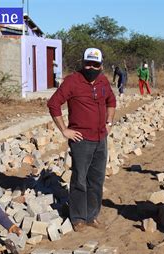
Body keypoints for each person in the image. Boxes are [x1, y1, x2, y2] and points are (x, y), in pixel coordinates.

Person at [47, 48, 116, 232]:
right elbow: (53, 104)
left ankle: (92, 215)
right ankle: (77, 217)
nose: (91, 67)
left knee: (97, 179)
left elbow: (111, 101)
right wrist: (64, 130)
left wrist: (109, 122)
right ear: (82, 62)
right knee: (80, 179)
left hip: (101, 138)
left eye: (95, 64)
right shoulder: (72, 81)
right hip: (81, 140)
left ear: (101, 65)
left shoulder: (103, 81)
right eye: (88, 63)